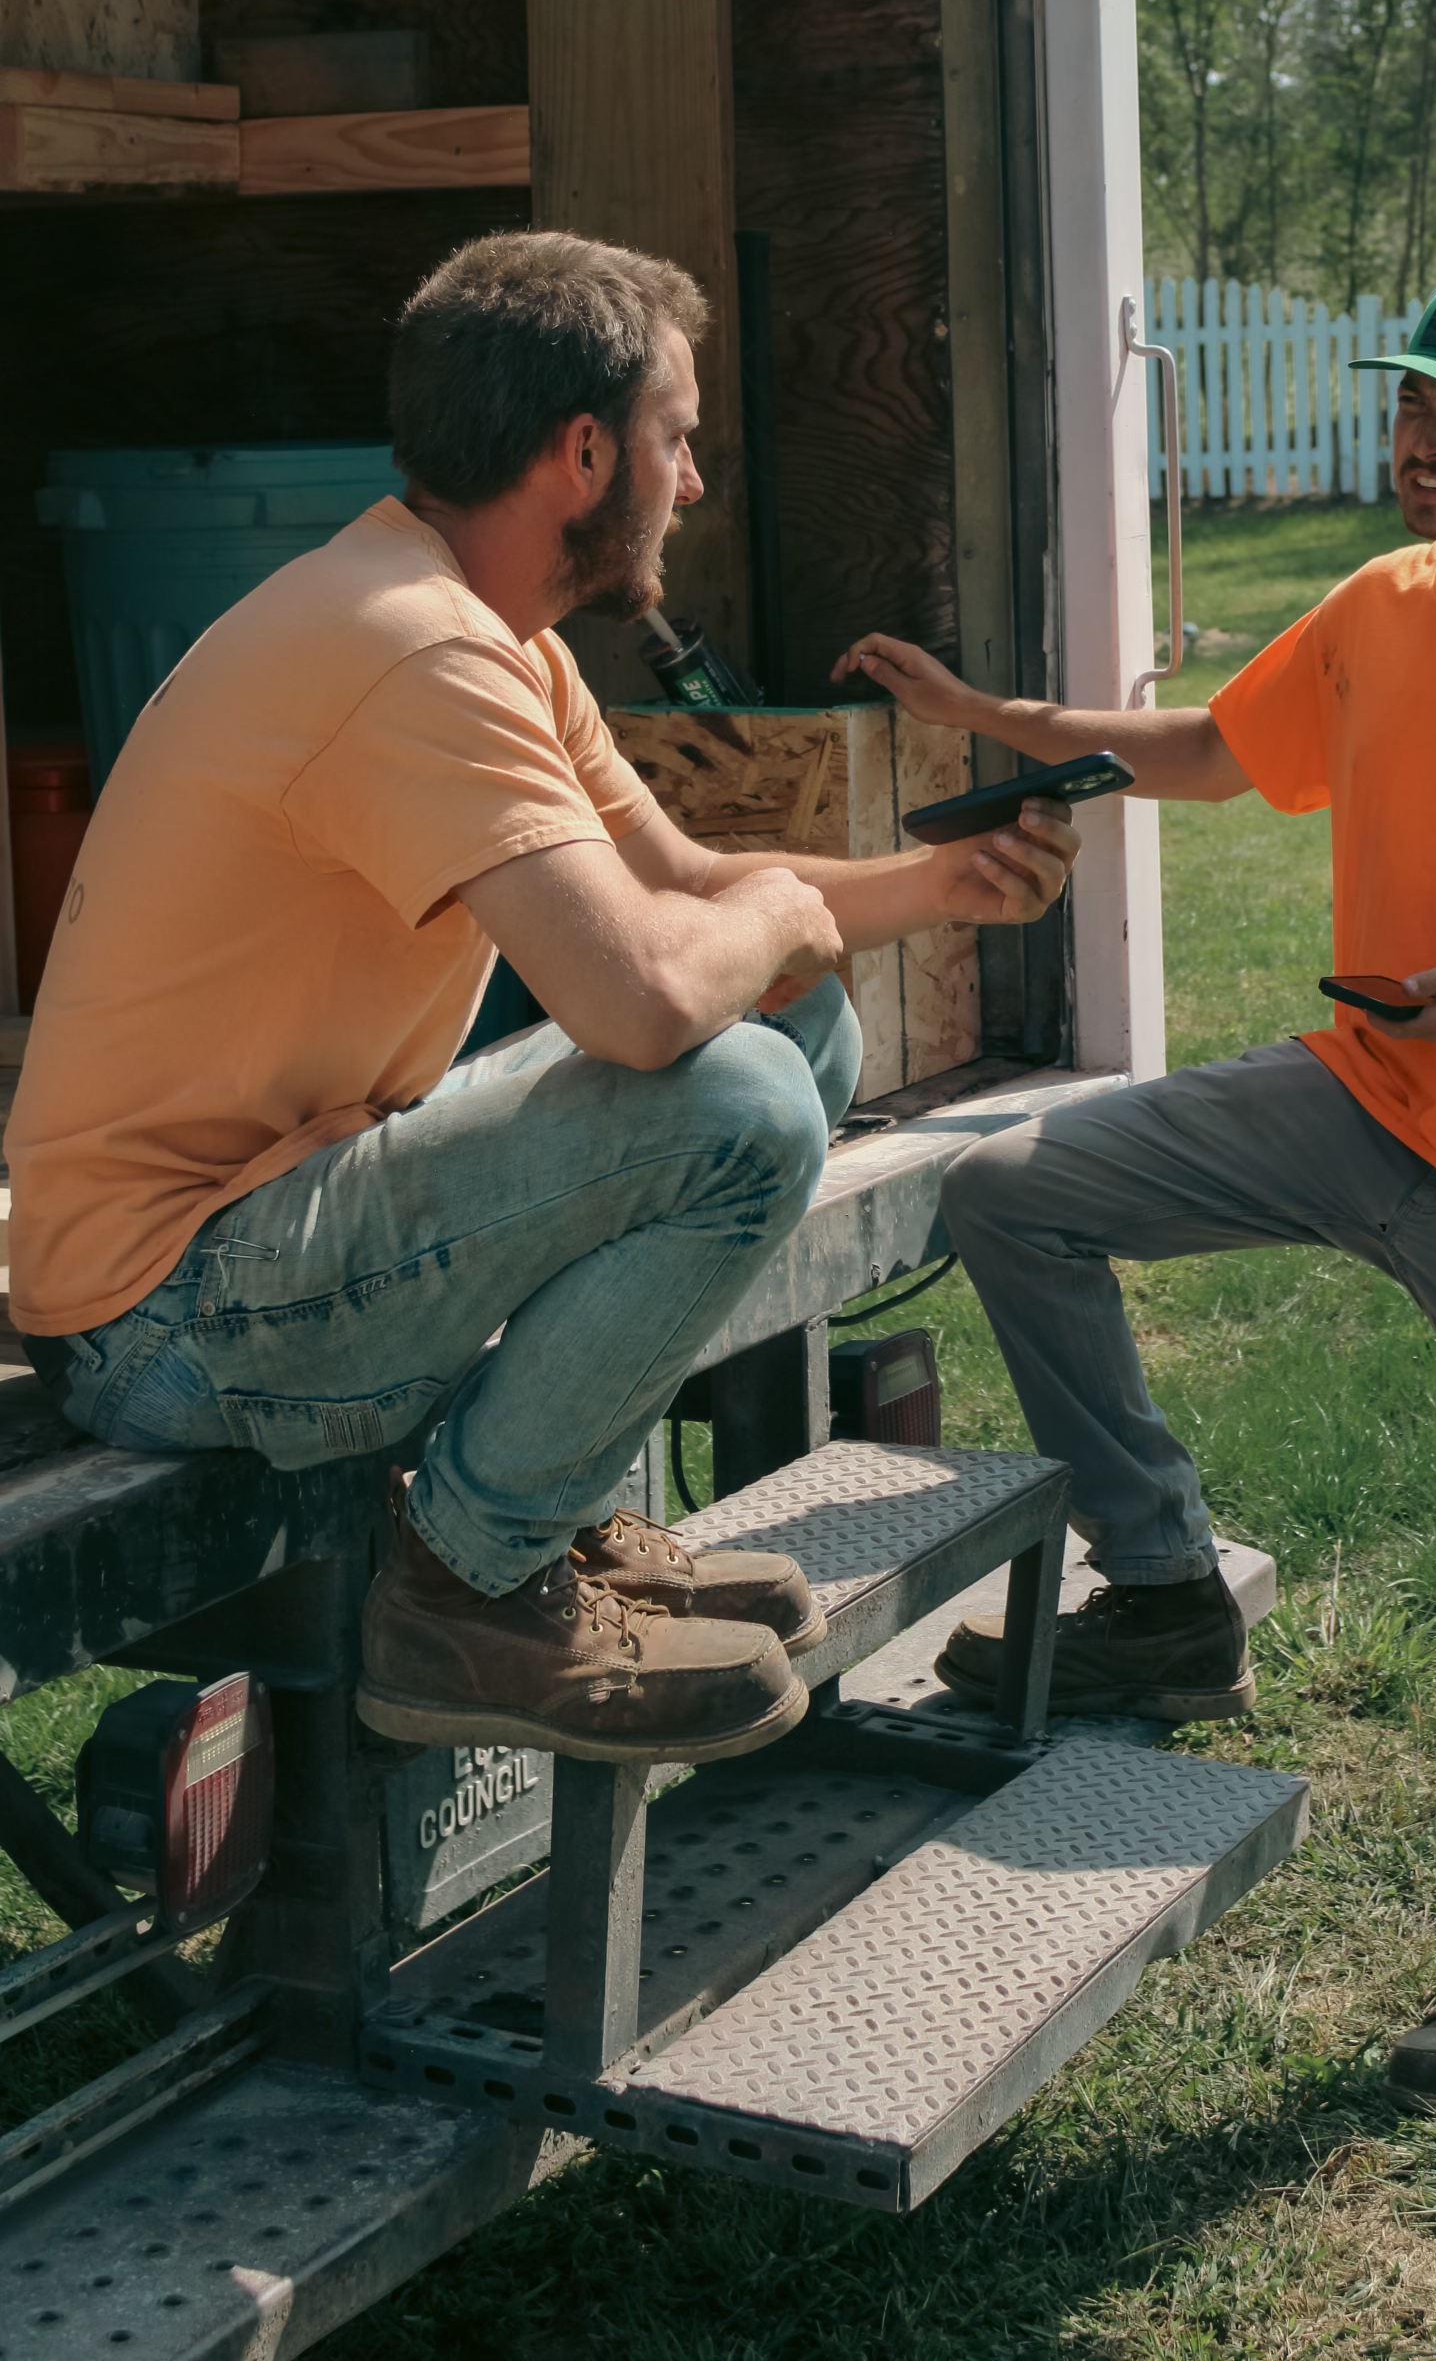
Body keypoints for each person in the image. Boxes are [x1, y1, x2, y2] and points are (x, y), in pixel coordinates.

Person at [833, 269, 1436, 2109]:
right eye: (1409, 400)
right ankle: (1169, 1593)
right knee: (1011, 1192)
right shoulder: (1379, 609)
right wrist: (995, 714)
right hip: (1365, 1092)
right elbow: (1218, 751)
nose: (1418, 436)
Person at [6, 230, 1078, 1770]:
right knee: (741, 1092)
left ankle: (535, 1517)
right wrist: (779, 916)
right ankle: (464, 1580)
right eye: (678, 436)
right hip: (165, 1309)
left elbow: (693, 892)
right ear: (584, 452)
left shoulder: (478, 625)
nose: (694, 480)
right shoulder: (413, 653)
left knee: (791, 1022)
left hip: (276, 1215)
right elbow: (644, 1008)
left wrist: (936, 888)